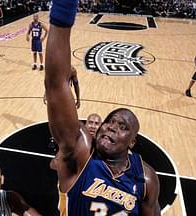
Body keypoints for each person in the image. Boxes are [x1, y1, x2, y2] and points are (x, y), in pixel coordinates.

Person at [44, 1, 160, 215]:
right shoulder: (80, 153)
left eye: (122, 126)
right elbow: (56, 84)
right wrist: (64, 7)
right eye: (109, 121)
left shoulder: (146, 179)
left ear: (132, 142)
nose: (111, 127)